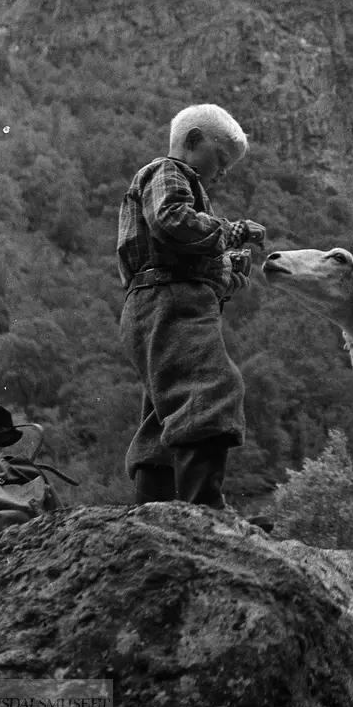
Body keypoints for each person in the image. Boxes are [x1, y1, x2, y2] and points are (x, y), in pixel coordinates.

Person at [117, 103, 266, 508]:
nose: (220, 174)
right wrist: (230, 234)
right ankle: (205, 508)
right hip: (170, 304)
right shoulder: (168, 172)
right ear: (193, 141)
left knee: (166, 412)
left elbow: (184, 252)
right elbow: (170, 220)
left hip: (155, 306)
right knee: (213, 389)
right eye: (219, 161)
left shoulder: (180, 180)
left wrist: (228, 270)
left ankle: (152, 508)